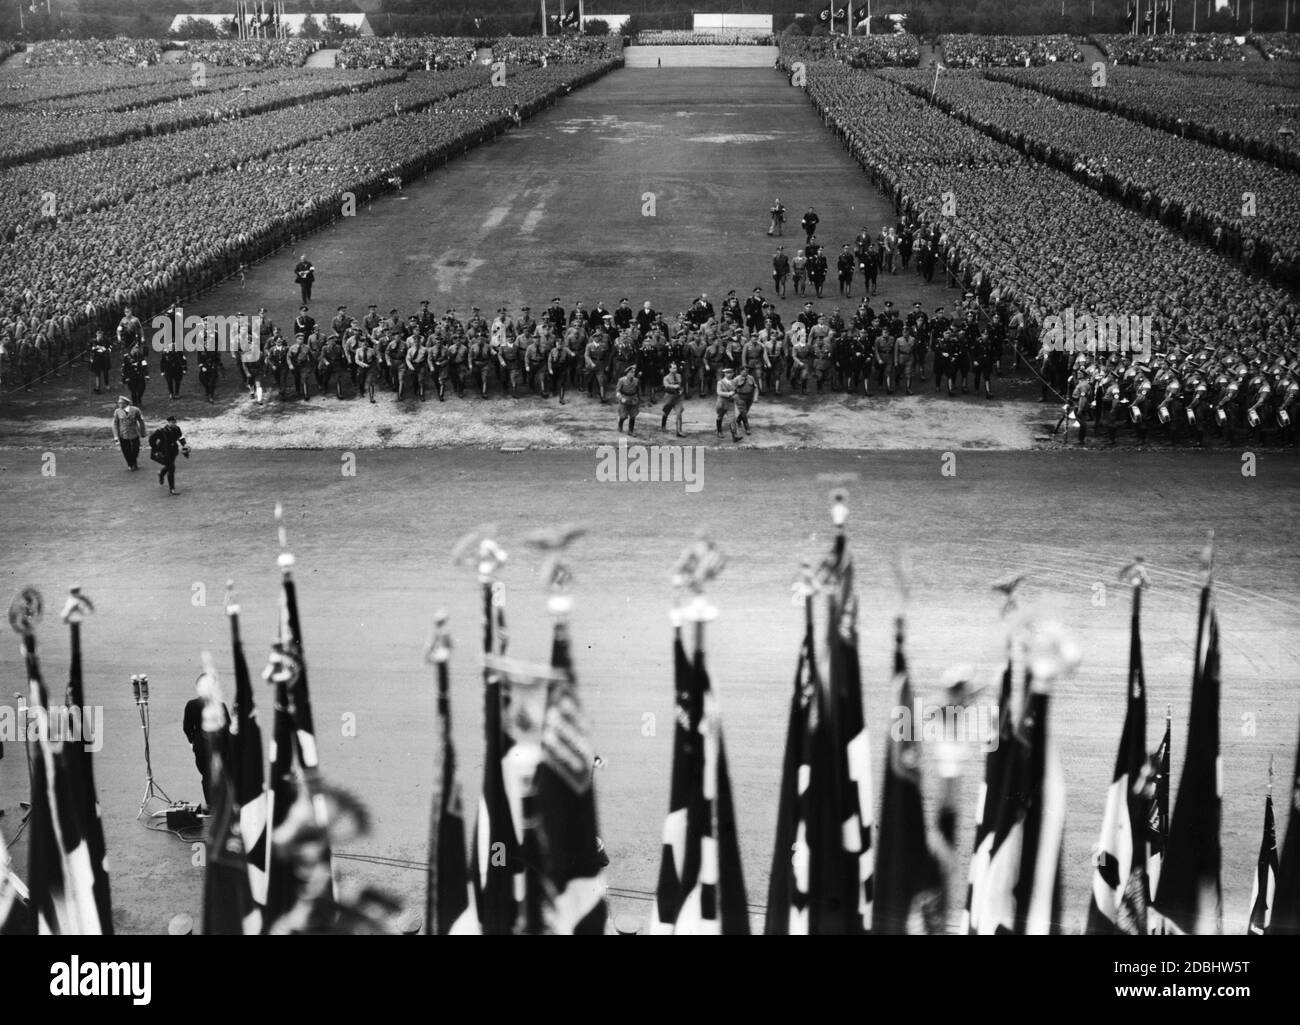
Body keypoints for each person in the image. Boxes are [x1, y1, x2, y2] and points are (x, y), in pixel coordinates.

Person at [182, 691, 226, 812]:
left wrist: (192, 741)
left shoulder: (191, 705)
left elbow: (187, 727)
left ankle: (211, 805)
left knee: (206, 776)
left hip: (200, 745)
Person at [149, 415, 188, 496]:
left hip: (173, 451)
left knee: (170, 466)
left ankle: (161, 473)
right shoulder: (161, 431)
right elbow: (151, 439)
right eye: (172, 422)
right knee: (171, 468)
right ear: (168, 422)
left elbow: (180, 437)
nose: (174, 424)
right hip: (163, 452)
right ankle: (172, 489)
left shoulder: (177, 429)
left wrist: (184, 445)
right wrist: (156, 450)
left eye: (175, 422)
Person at [111, 396, 146, 471]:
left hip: (134, 433)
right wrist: (116, 437)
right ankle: (130, 464)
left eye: (121, 403)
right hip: (123, 434)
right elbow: (115, 424)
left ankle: (134, 461)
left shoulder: (136, 410)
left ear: (126, 403)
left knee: (136, 449)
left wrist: (143, 432)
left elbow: (141, 421)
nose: (119, 404)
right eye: (119, 403)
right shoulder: (117, 411)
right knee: (126, 450)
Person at [715, 367, 741, 443]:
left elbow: (736, 391)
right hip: (721, 403)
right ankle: (719, 431)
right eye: (727, 373)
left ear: (733, 373)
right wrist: (729, 394)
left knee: (732, 419)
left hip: (730, 403)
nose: (729, 374)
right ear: (725, 374)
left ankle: (734, 436)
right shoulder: (720, 382)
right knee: (720, 417)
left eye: (731, 373)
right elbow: (719, 392)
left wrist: (736, 396)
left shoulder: (734, 382)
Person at [661, 361, 685, 437]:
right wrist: (674, 386)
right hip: (669, 397)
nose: (675, 369)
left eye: (676, 368)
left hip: (677, 398)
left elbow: (681, 386)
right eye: (673, 368)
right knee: (666, 412)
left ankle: (679, 431)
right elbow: (666, 386)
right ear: (669, 369)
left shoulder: (679, 376)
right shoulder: (666, 378)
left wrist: (681, 390)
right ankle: (663, 426)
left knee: (679, 413)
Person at [615, 367, 640, 435]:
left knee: (633, 416)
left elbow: (637, 390)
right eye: (631, 372)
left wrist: (638, 399)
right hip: (624, 398)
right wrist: (621, 398)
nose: (633, 374)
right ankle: (620, 424)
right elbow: (617, 391)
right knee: (623, 416)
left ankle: (630, 431)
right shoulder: (621, 380)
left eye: (633, 372)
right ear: (627, 373)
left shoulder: (636, 380)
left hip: (633, 399)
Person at [733, 365, 758, 435]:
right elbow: (732, 390)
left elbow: (755, 387)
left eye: (747, 370)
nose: (746, 372)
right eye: (744, 370)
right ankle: (747, 428)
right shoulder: (736, 379)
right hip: (740, 397)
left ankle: (738, 420)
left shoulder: (751, 378)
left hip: (749, 397)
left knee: (745, 411)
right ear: (740, 371)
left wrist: (755, 397)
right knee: (744, 413)